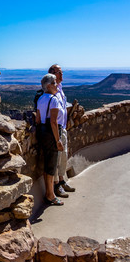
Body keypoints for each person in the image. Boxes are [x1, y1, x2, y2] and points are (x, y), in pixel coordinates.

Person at [37, 73, 67, 206]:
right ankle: (50, 195)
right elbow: (54, 122)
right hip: (52, 133)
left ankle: (49, 193)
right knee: (51, 166)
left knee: (47, 164)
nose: (56, 85)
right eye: (54, 83)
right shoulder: (53, 99)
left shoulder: (41, 98)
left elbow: (38, 119)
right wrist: (58, 140)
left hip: (42, 133)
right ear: (48, 86)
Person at [48, 65, 78, 195]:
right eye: (59, 72)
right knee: (57, 157)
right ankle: (56, 186)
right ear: (53, 74)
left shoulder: (59, 88)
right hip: (56, 130)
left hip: (63, 128)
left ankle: (61, 181)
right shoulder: (50, 90)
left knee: (63, 157)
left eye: (61, 72)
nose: (62, 74)